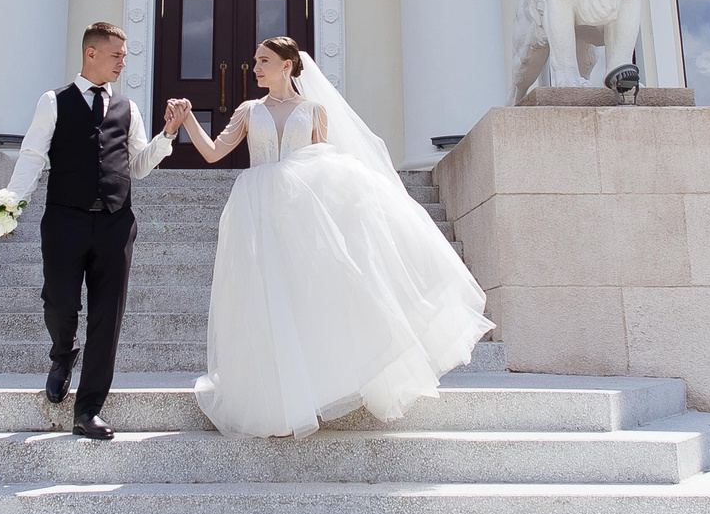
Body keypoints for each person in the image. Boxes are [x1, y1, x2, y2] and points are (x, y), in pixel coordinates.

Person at [163, 36, 494, 438]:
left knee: (308, 293)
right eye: (255, 61)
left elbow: (325, 164)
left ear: (287, 65)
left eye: (264, 61)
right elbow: (215, 152)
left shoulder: (315, 111)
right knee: (267, 295)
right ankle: (278, 394)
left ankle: (318, 384)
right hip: (258, 209)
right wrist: (187, 122)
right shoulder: (249, 110)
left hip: (302, 212)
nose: (256, 68)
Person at [2, 21, 174, 440]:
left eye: (125, 56)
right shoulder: (54, 101)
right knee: (59, 303)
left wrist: (168, 134)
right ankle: (63, 355)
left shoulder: (127, 109)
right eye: (116, 55)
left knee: (106, 316)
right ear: (91, 54)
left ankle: (88, 408)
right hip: (65, 220)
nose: (122, 62)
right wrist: (9, 202)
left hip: (116, 222)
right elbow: (31, 155)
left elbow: (137, 166)